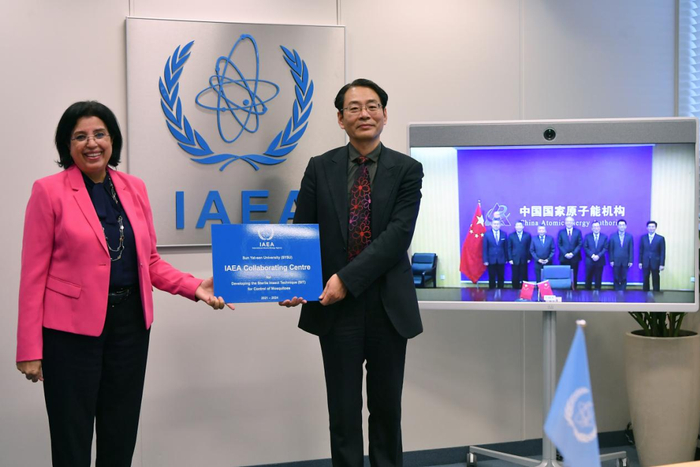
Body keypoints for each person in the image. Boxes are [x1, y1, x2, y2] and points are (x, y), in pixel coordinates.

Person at [15, 101, 232, 467]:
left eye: (99, 134)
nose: (91, 143)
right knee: (71, 437)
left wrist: (194, 286)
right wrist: (29, 349)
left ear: (112, 139)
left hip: (130, 327)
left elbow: (150, 261)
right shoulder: (48, 191)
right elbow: (32, 275)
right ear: (67, 145)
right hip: (70, 334)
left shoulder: (134, 188)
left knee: (120, 431)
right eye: (80, 136)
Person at [279, 79, 423, 466]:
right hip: (335, 308)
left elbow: (397, 237)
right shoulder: (319, 167)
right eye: (354, 108)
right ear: (341, 119)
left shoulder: (407, 170)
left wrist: (346, 279)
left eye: (373, 106)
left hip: (387, 306)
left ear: (385, 115)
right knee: (342, 414)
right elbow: (303, 231)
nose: (365, 114)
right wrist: (293, 280)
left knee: (386, 412)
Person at [638, 220, 666, 291]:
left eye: (653, 226)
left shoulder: (660, 238)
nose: (651, 228)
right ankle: (645, 294)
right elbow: (641, 251)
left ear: (655, 228)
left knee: (655, 279)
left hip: (656, 262)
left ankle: (656, 293)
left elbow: (662, 252)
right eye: (649, 227)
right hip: (645, 262)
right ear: (647, 228)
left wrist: (662, 264)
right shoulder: (643, 238)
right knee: (645, 279)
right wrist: (640, 262)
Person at [557, 216, 583, 289]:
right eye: (567, 221)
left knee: (574, 274)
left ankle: (574, 288)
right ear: (565, 223)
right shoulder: (561, 232)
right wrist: (565, 254)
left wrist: (573, 253)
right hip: (563, 257)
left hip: (575, 257)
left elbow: (580, 244)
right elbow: (559, 244)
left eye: (570, 221)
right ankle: (564, 289)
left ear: (573, 223)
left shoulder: (578, 232)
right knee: (564, 274)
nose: (569, 223)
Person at [608, 218, 634, 291]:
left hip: (626, 260)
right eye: (620, 225)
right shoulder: (613, 236)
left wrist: (630, 260)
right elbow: (611, 249)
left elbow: (631, 249)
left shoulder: (629, 236)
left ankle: (623, 291)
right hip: (615, 260)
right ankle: (616, 291)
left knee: (624, 277)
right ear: (617, 226)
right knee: (616, 277)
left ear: (625, 226)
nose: (621, 226)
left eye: (623, 225)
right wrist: (611, 260)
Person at [582, 220, 608, 290]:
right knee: (588, 278)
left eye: (597, 227)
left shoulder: (604, 237)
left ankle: (598, 293)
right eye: (594, 227)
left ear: (600, 228)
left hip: (600, 260)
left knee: (598, 278)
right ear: (592, 228)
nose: (596, 228)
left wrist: (598, 256)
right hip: (589, 260)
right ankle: (587, 293)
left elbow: (605, 248)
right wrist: (592, 256)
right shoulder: (587, 236)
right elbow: (585, 247)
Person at [483, 218, 508, 289]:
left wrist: (506, 258)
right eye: (494, 224)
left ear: (500, 225)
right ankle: (492, 292)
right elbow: (485, 248)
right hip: (491, 259)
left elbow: (505, 247)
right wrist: (485, 260)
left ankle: (501, 291)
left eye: (497, 224)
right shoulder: (487, 234)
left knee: (501, 276)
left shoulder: (504, 234)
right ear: (491, 225)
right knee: (492, 277)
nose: (496, 225)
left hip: (501, 259)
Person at [508, 220, 531, 289]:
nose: (518, 227)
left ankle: (525, 290)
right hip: (514, 259)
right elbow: (509, 248)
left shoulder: (527, 235)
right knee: (515, 275)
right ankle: (515, 290)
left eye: (520, 225)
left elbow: (529, 247)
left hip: (524, 258)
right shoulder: (511, 236)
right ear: (515, 227)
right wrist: (510, 258)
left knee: (524, 275)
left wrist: (529, 258)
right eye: (517, 225)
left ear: (523, 226)